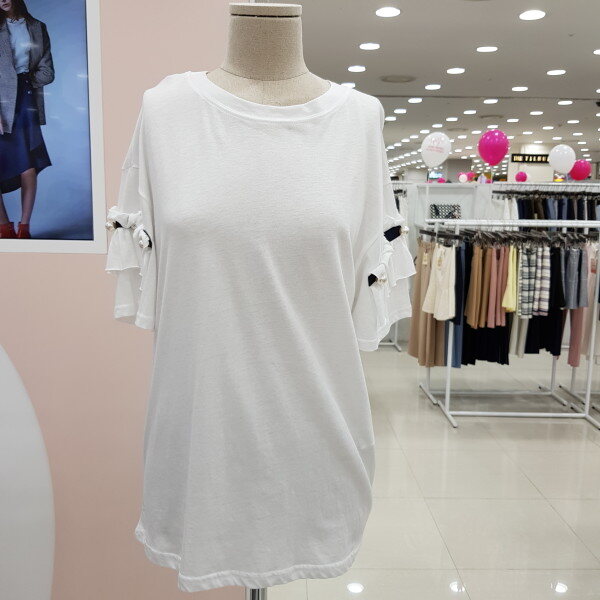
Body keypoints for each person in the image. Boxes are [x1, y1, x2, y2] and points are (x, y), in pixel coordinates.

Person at [0, 0, 54, 239]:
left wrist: (25, 81)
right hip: (1, 100)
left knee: (27, 165)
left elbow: (47, 71)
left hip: (25, 100)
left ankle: (24, 227)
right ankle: (4, 226)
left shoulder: (37, 27)